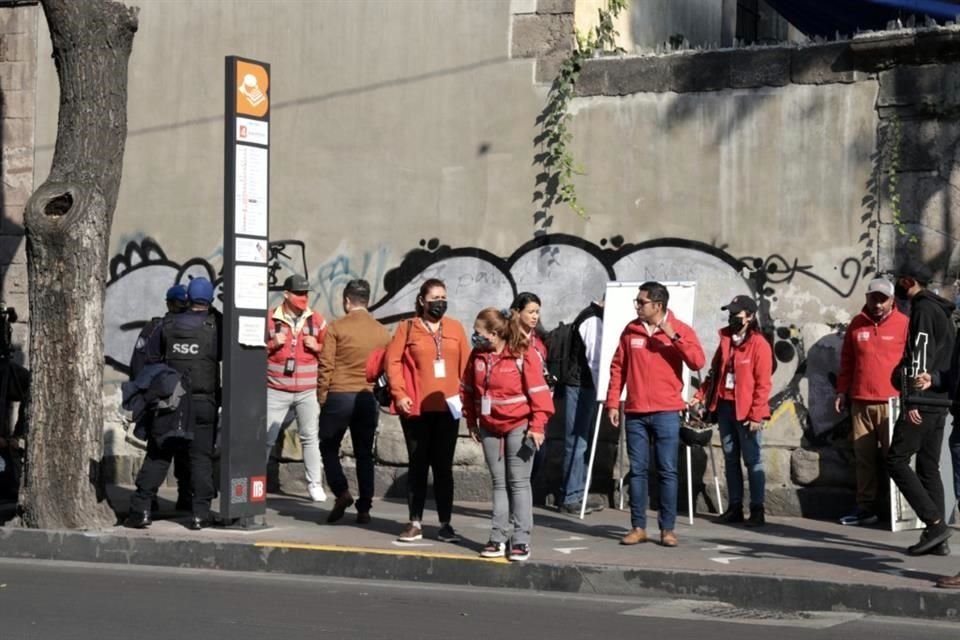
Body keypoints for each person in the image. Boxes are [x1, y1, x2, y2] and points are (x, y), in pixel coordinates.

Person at [607, 281, 705, 547]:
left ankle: (667, 529)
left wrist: (673, 335)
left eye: (642, 302)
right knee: (637, 471)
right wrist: (613, 402)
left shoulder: (680, 328)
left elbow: (697, 361)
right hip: (636, 411)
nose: (637, 306)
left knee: (667, 471)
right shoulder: (631, 330)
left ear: (658, 305)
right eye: (637, 302)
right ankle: (638, 527)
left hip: (667, 411)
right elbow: (618, 367)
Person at [125, 277, 222, 530]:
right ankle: (200, 514)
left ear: (187, 298)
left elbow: (151, 360)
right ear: (211, 300)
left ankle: (141, 510)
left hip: (170, 402)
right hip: (203, 402)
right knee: (200, 458)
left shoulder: (167, 324)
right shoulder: (216, 325)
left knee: (159, 455)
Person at [462, 308, 555, 561]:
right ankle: (497, 537)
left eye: (478, 332)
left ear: (494, 333)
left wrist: (537, 426)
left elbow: (539, 394)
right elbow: (468, 390)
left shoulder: (523, 354)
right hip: (489, 426)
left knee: (519, 482)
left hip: (519, 426)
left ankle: (521, 540)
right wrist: (471, 421)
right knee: (499, 483)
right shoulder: (477, 355)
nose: (475, 336)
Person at [386, 278, 471, 543]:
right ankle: (415, 522)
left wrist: (467, 400)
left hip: (448, 408)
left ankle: (445, 523)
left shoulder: (455, 328)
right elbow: (392, 362)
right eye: (435, 298)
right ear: (422, 301)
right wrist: (399, 394)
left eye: (443, 297)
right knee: (418, 465)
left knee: (443, 467)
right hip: (416, 408)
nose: (440, 302)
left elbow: (466, 366)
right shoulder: (407, 328)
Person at [886, 261, 955, 556]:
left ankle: (935, 524)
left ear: (908, 281)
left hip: (924, 400)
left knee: (896, 460)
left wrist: (912, 398)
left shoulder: (924, 309)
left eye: (899, 280)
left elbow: (920, 353)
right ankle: (938, 539)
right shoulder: (940, 311)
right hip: (939, 401)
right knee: (928, 467)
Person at [834, 278, 909, 527]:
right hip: (860, 401)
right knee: (863, 458)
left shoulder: (904, 324)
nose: (877, 304)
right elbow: (847, 361)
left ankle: (899, 510)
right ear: (866, 298)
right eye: (873, 298)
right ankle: (866, 507)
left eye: (882, 299)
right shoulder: (857, 324)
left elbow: (913, 361)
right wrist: (841, 392)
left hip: (892, 402)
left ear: (892, 300)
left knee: (895, 459)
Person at [692, 295, 773, 527]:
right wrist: (700, 395)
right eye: (730, 314)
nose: (731, 318)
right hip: (725, 407)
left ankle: (757, 509)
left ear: (750, 316)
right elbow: (715, 372)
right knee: (730, 459)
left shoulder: (759, 345)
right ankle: (735, 507)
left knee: (753, 460)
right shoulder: (726, 339)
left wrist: (757, 414)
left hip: (746, 411)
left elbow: (763, 384)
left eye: (736, 314)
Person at [317, 279, 390, 525]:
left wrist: (322, 396)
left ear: (347, 301)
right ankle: (365, 508)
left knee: (328, 447)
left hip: (338, 395)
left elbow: (326, 365)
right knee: (364, 454)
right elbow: (385, 368)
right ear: (367, 301)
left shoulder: (337, 327)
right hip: (366, 398)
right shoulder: (381, 332)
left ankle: (342, 491)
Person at [128, 284, 192, 513]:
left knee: (158, 453)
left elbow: (138, 365)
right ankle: (185, 500)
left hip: (161, 400)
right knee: (184, 451)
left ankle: (146, 503)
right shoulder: (197, 329)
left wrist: (143, 398)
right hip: (183, 401)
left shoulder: (156, 328)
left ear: (168, 303)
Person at [265, 274, 328, 502]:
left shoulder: (316, 320)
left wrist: (317, 346)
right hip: (276, 389)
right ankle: (257, 482)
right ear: (286, 294)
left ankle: (315, 484)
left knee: (310, 438)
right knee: (266, 438)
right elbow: (252, 351)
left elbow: (330, 351)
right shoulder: (270, 319)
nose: (303, 298)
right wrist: (273, 344)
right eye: (298, 293)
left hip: (307, 391)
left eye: (305, 293)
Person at [550, 297, 606, 515]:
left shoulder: (594, 315)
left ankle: (578, 492)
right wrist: (603, 390)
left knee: (582, 440)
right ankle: (570, 496)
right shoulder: (592, 319)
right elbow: (595, 359)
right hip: (580, 385)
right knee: (577, 441)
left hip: (583, 384)